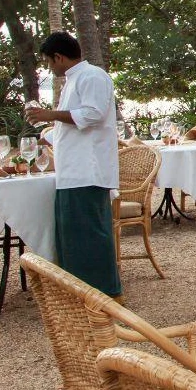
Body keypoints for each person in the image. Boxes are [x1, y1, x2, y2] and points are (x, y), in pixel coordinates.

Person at [25, 32, 122, 299]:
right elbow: (74, 125)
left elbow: (93, 114)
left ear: (59, 57)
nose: (49, 67)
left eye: (48, 61)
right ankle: (79, 292)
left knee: (90, 235)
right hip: (71, 172)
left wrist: (51, 114)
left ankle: (105, 294)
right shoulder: (73, 80)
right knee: (72, 237)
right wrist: (47, 132)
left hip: (88, 171)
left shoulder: (92, 76)